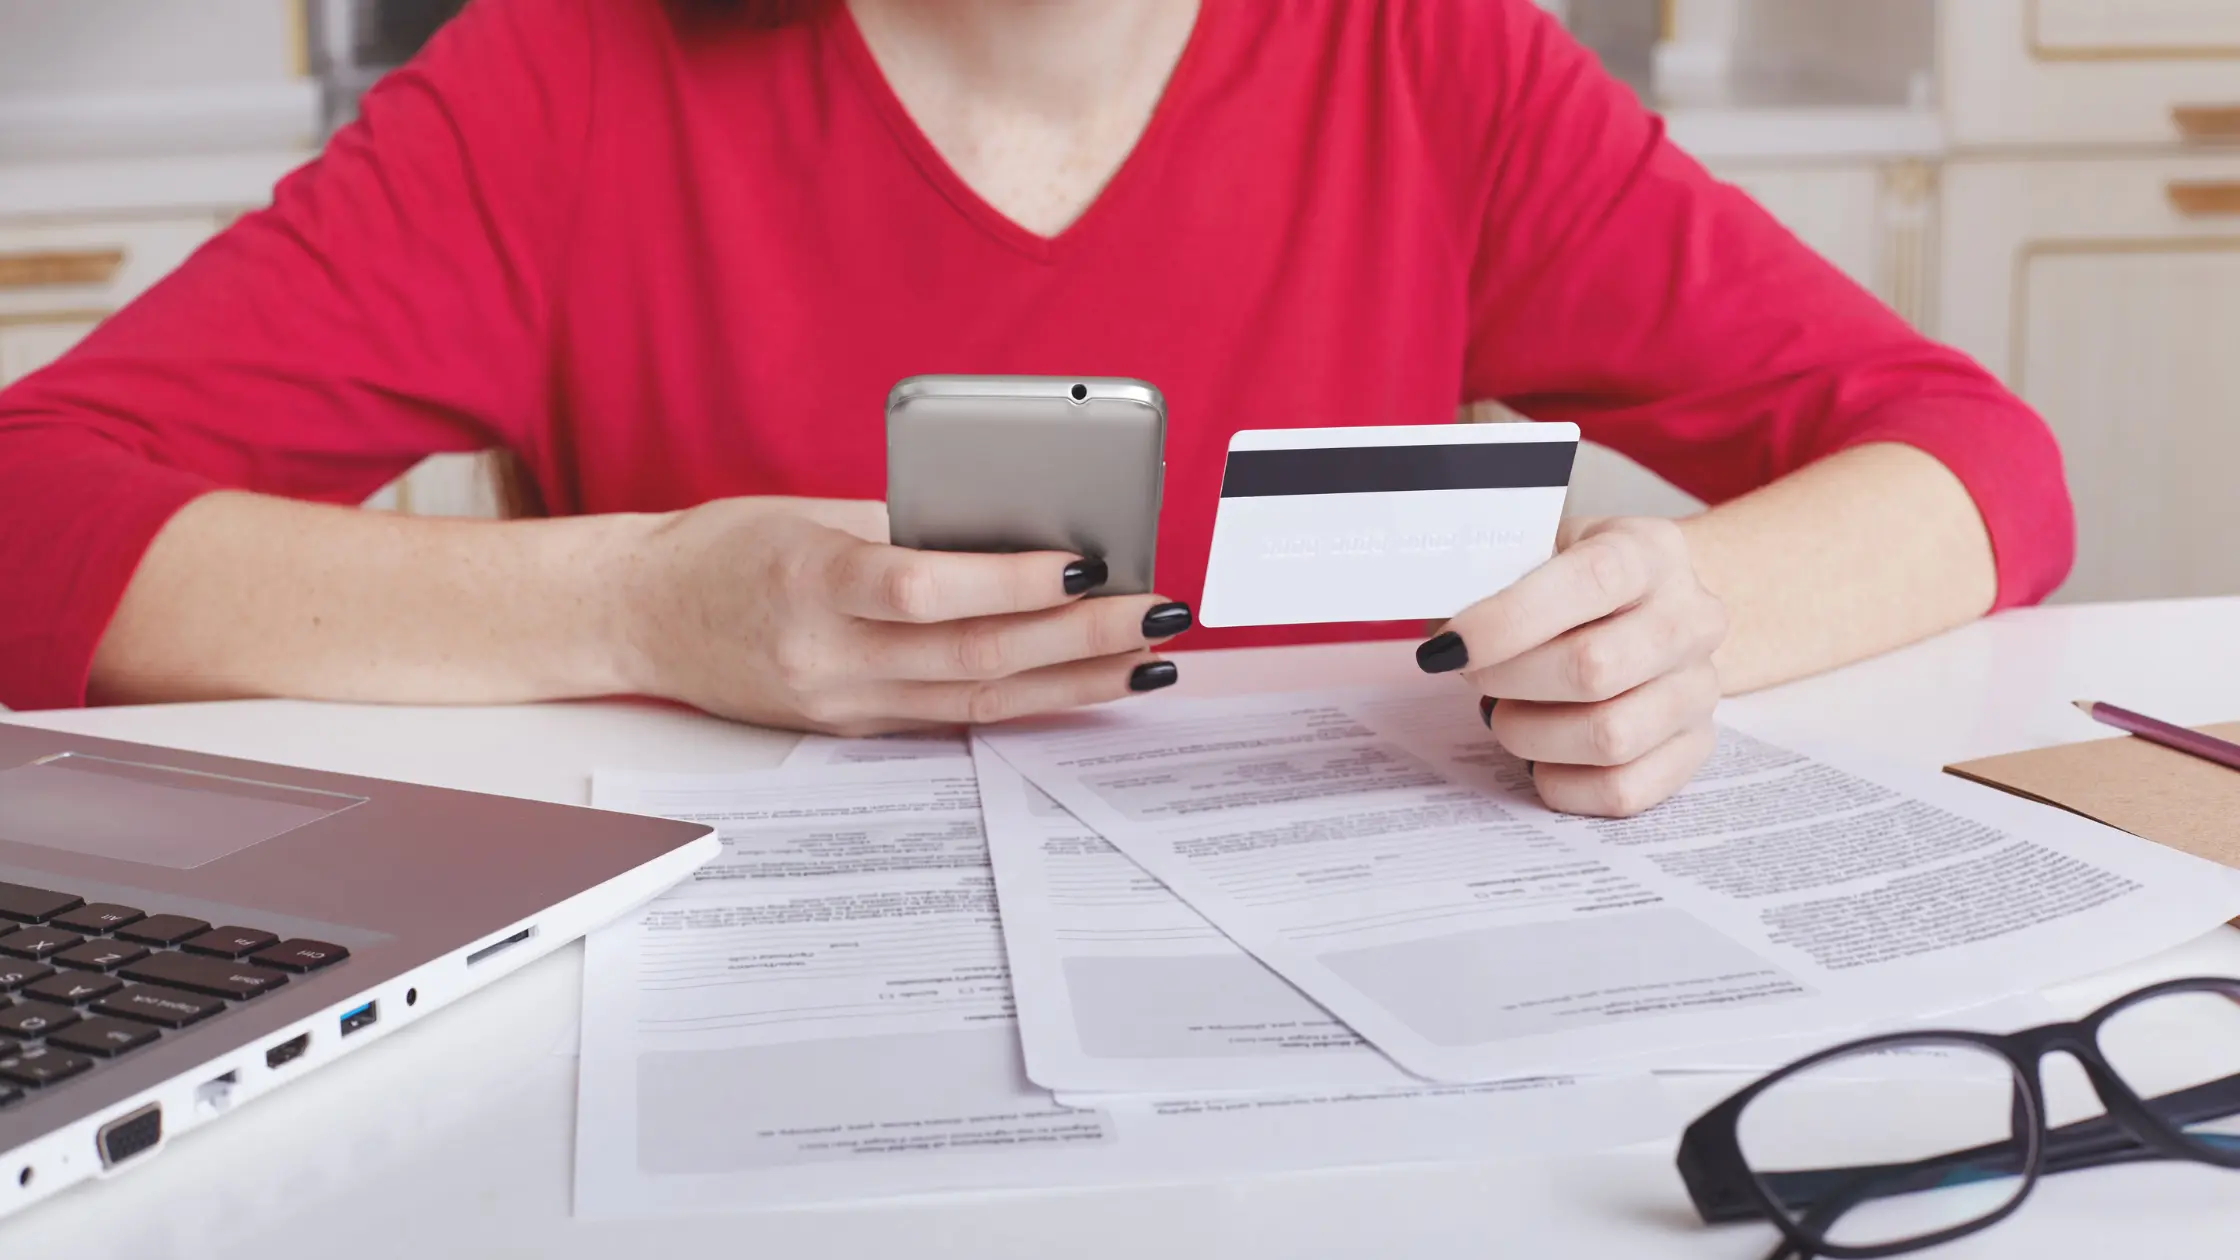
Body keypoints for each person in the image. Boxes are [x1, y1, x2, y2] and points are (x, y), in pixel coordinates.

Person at [0, 0, 2071, 818]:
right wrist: (641, 606)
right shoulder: (566, 84)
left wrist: (1676, 614)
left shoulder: (1430, 62)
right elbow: (31, 517)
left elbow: (1978, 458)